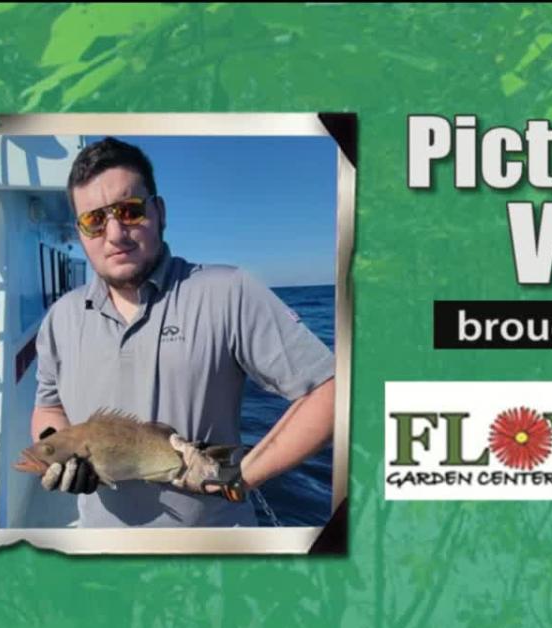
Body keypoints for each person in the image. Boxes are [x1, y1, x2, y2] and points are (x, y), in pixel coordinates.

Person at [31, 136, 335, 527]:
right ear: (79, 233)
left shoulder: (227, 291)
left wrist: (238, 477)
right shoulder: (60, 318)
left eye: (129, 210)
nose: (114, 233)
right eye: (94, 220)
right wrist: (59, 451)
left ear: (159, 212)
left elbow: (330, 390)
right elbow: (48, 406)